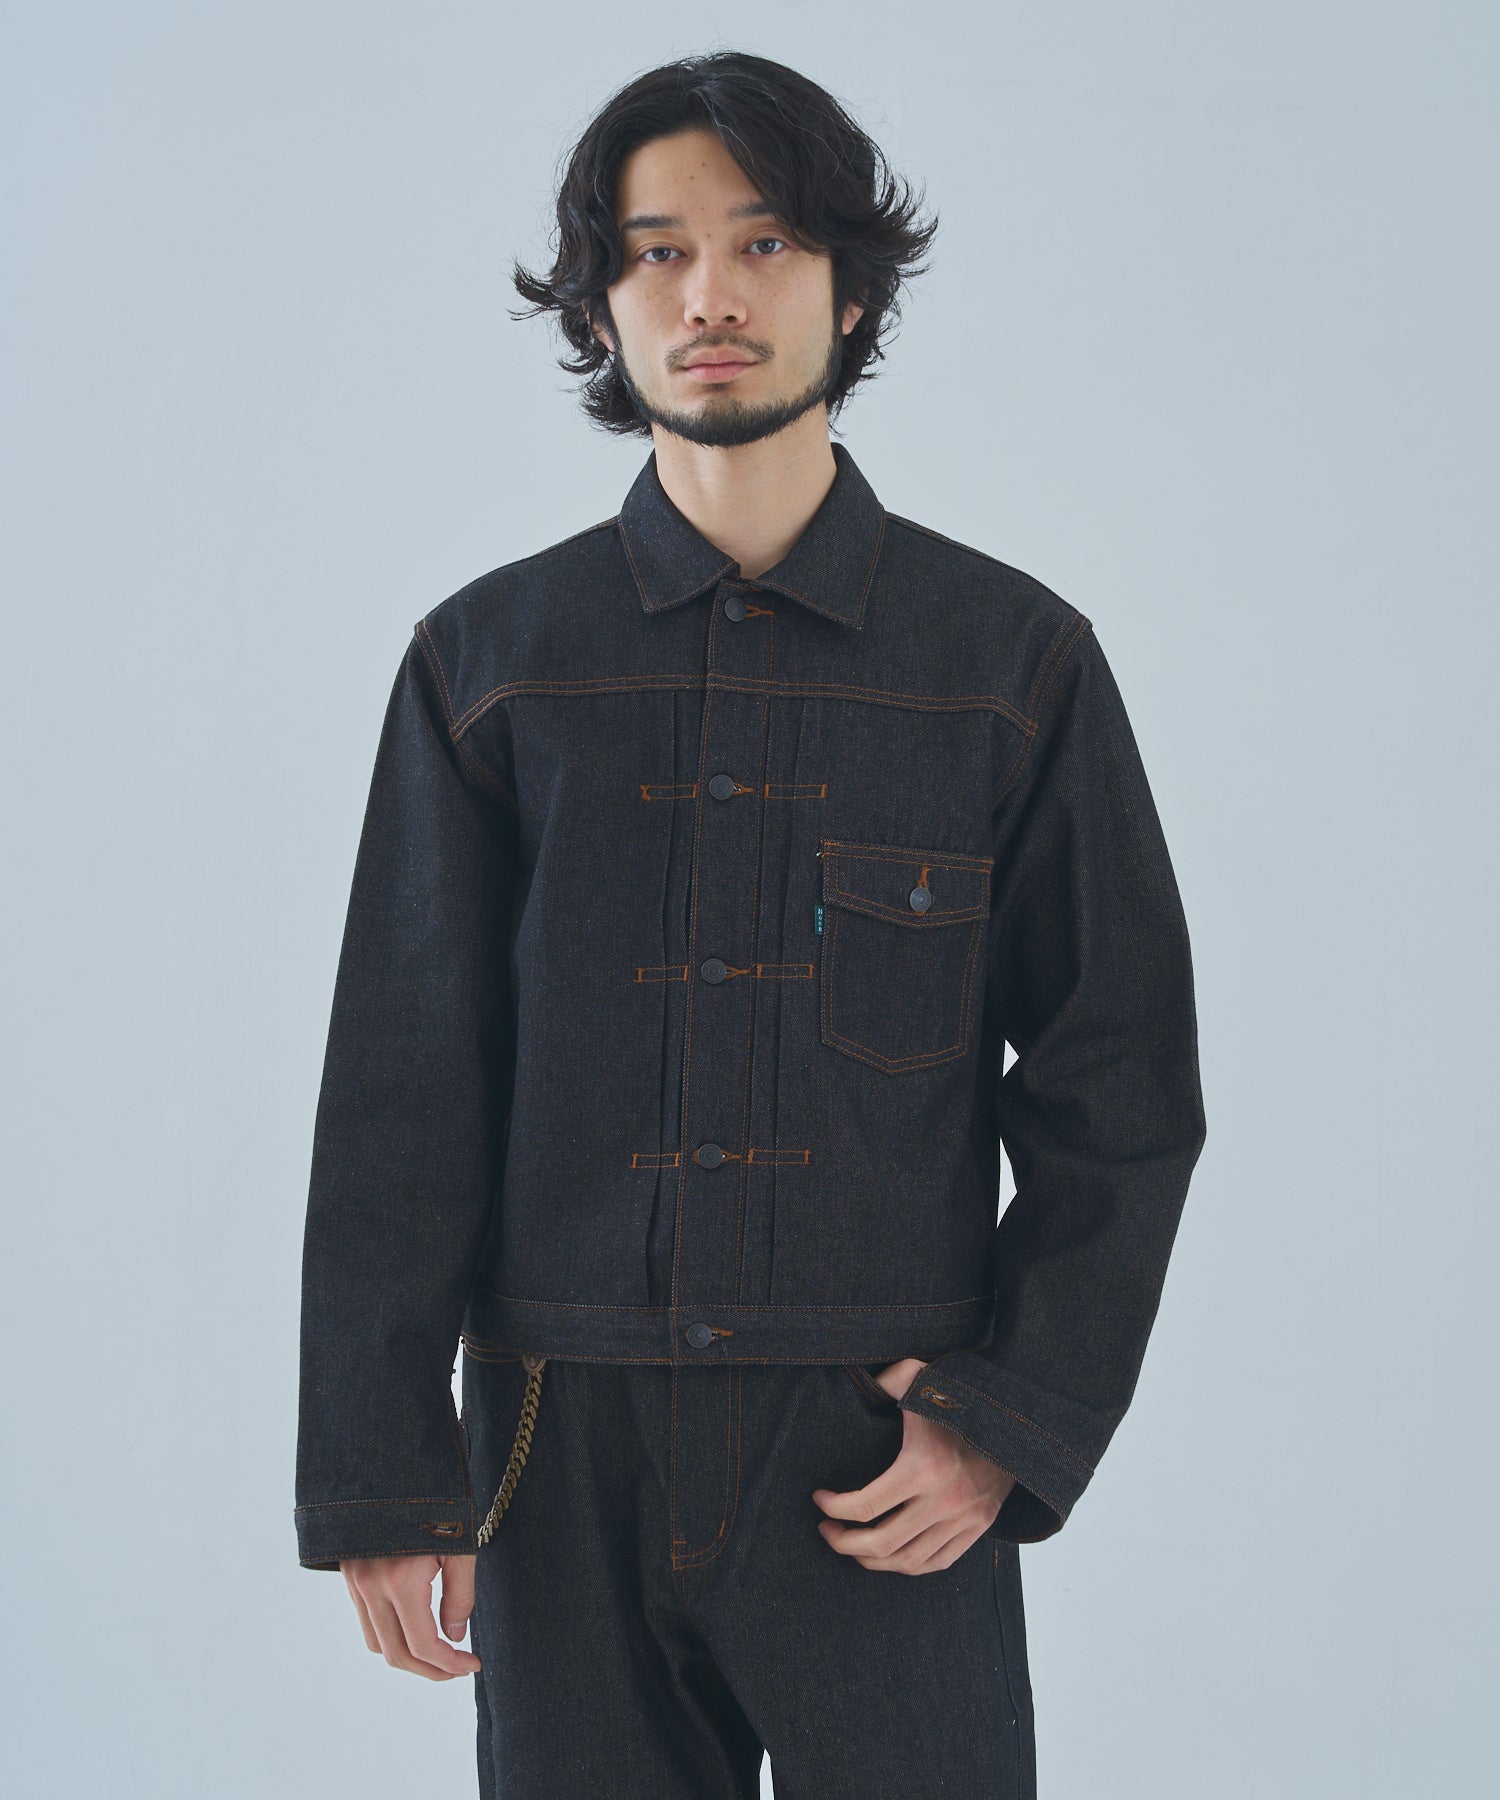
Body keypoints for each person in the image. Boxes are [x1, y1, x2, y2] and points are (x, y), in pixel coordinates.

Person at [295, 49, 1206, 1800]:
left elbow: (1121, 1078)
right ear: (602, 308)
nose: (709, 295)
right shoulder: (489, 670)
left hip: (876, 1438)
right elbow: (404, 1087)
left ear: (851, 290)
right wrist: (384, 1470)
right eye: (657, 253)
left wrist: (1008, 1417)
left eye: (766, 241)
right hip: (557, 1439)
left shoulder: (1009, 665)